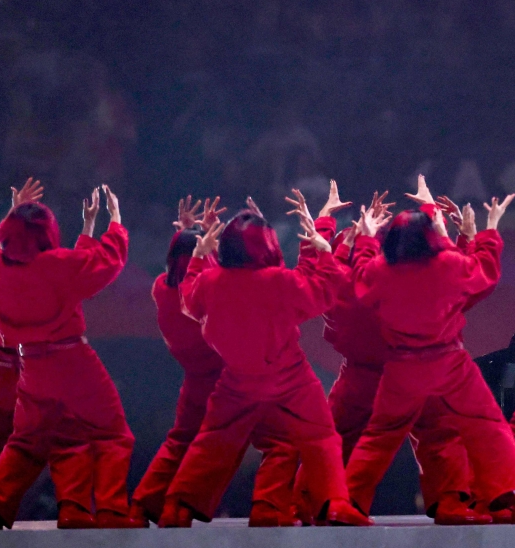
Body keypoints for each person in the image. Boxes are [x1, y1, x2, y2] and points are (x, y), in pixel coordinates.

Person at [342, 184, 515, 524]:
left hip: (402, 369)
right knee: (489, 428)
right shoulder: (447, 265)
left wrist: (367, 239)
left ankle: (348, 503)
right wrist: (484, 232)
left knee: (380, 436)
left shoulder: (381, 272)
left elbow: (360, 277)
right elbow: (484, 272)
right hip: (448, 365)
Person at [158, 197, 372, 528]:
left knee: (213, 441)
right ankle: (331, 503)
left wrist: (199, 258)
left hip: (236, 381)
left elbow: (187, 299)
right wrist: (325, 245)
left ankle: (178, 507)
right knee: (321, 437)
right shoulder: (279, 282)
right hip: (288, 376)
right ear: (268, 247)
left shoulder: (212, 283)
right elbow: (323, 289)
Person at [0, 184, 141, 529]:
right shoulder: (58, 265)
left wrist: (15, 212)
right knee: (112, 434)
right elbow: (103, 262)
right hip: (73, 361)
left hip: (32, 367)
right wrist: (115, 221)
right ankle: (110, 509)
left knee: (29, 441)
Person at [0, 185, 97, 530]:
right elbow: (70, 267)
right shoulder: (33, 285)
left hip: (1, 375)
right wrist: (84, 228)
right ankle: (71, 508)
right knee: (68, 439)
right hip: (40, 372)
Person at [128, 197, 227, 526]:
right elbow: (214, 278)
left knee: (181, 439)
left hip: (194, 378)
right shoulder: (206, 289)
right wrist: (208, 236)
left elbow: (190, 268)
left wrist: (191, 233)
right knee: (220, 444)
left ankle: (142, 505)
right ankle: (179, 507)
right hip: (223, 379)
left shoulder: (161, 288)